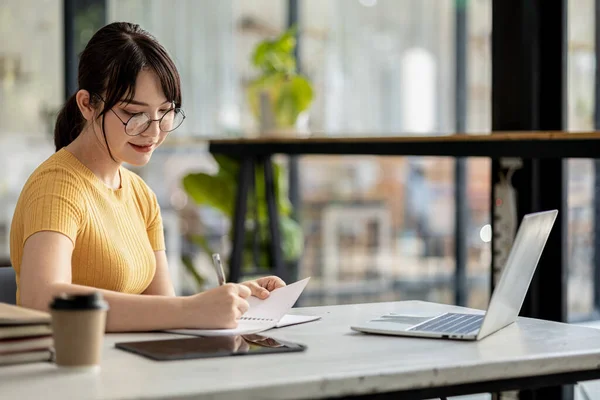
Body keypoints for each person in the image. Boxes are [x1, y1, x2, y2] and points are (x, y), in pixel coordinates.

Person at [9, 22, 285, 332]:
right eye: (133, 113)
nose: (153, 131)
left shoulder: (140, 195)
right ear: (87, 104)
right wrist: (191, 309)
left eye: (166, 112)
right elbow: (41, 298)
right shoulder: (58, 186)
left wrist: (234, 300)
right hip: (71, 369)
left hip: (133, 369)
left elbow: (164, 309)